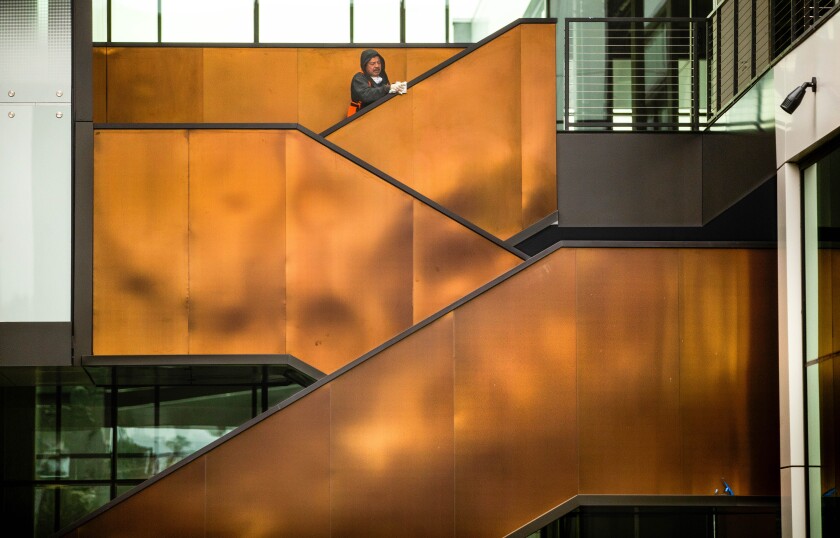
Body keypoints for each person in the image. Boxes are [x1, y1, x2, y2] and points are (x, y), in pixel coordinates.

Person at [348, 49, 406, 117]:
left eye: (379, 63)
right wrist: (387, 88)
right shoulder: (359, 78)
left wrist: (395, 87)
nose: (377, 66)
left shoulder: (382, 77)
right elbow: (366, 95)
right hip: (359, 118)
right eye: (372, 63)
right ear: (365, 65)